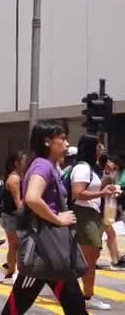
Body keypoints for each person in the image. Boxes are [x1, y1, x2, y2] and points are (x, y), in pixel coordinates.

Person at [1, 121, 87, 315]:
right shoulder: (43, 165)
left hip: (54, 250)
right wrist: (58, 219)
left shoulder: (47, 166)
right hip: (44, 248)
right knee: (15, 309)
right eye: (62, 138)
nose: (66, 144)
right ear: (47, 141)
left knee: (75, 305)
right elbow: (32, 198)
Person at [71, 133, 118, 310]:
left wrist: (105, 187)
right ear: (91, 148)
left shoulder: (89, 168)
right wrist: (102, 193)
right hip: (84, 215)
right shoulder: (83, 168)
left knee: (90, 257)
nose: (102, 149)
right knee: (89, 260)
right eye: (99, 146)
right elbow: (78, 192)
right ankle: (87, 296)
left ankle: (83, 294)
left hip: (91, 214)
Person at [0, 151, 27, 285]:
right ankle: (10, 274)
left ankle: (10, 270)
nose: (25, 163)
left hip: (10, 216)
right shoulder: (14, 179)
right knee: (14, 246)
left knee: (15, 246)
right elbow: (18, 202)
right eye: (23, 161)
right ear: (16, 163)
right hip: (11, 217)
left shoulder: (15, 177)